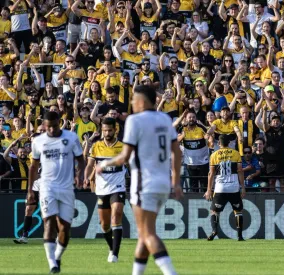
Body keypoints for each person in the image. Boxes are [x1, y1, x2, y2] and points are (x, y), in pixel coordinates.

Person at [95, 85, 183, 275]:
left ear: (142, 101)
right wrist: (175, 181)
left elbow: (124, 156)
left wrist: (103, 165)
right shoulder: (165, 119)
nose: (132, 103)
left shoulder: (135, 121)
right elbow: (176, 151)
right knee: (144, 234)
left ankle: (170, 272)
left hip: (144, 184)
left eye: (134, 99)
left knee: (147, 234)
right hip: (162, 183)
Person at [28, 111, 85, 274]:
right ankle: (52, 263)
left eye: (54, 126)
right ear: (44, 125)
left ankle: (57, 256)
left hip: (67, 188)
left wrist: (80, 175)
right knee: (49, 222)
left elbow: (81, 159)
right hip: (47, 187)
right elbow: (33, 167)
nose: (51, 130)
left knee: (65, 229)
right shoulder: (38, 141)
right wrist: (30, 191)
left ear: (59, 123)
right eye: (48, 127)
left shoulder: (71, 138)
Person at [84, 118, 126, 263]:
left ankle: (115, 253)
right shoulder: (96, 146)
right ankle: (111, 248)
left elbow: (132, 165)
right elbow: (90, 165)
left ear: (115, 130)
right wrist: (86, 177)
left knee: (117, 215)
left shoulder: (122, 147)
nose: (107, 133)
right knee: (105, 224)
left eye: (109, 130)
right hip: (102, 189)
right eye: (104, 130)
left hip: (118, 187)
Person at [204, 135, 245, 241]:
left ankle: (214, 230)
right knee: (238, 211)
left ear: (219, 143)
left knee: (214, 211)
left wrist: (209, 190)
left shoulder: (214, 155)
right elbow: (240, 171)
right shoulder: (236, 153)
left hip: (220, 187)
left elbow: (211, 173)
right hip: (234, 187)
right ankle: (239, 235)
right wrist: (243, 187)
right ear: (229, 143)